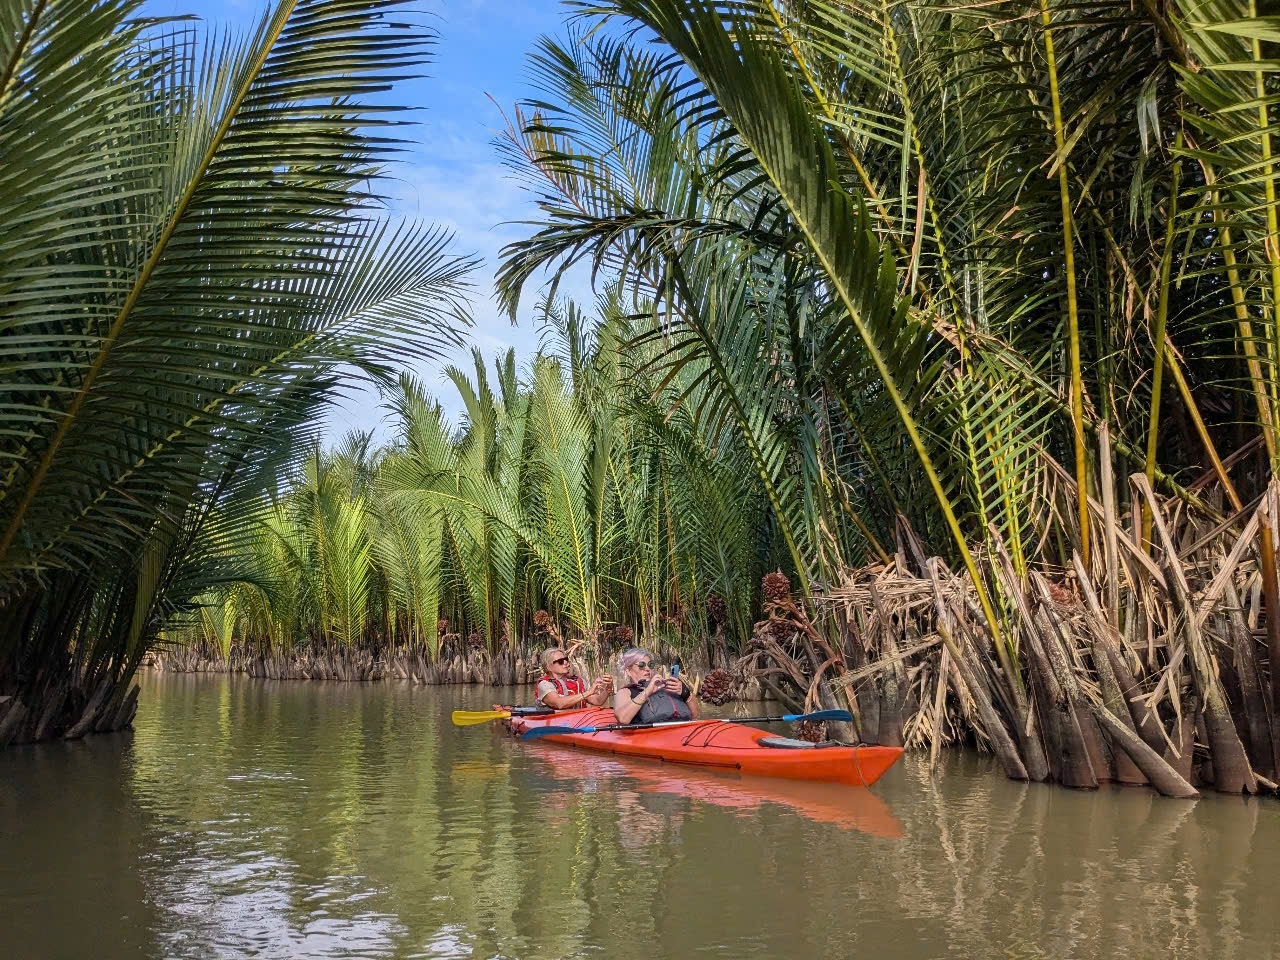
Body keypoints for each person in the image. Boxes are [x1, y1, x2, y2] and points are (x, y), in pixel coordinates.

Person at [613, 647, 698, 725]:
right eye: (641, 665)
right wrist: (647, 692)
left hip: (682, 731)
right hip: (650, 735)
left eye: (650, 665)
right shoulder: (625, 692)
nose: (647, 669)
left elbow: (695, 714)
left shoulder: (666, 686)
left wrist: (686, 693)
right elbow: (623, 719)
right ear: (628, 670)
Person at [533, 647, 612, 710]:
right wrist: (589, 692)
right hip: (556, 724)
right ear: (549, 667)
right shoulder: (544, 685)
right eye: (560, 661)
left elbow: (597, 701)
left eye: (566, 659)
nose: (565, 663)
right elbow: (559, 703)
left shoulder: (578, 681)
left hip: (579, 721)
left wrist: (607, 690)